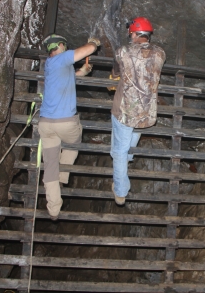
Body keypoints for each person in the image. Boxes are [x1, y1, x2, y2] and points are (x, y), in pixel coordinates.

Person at [39, 34, 101, 220]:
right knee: (74, 141)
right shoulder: (62, 58)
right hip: (65, 122)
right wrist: (94, 43)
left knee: (49, 165)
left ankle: (54, 209)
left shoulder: (51, 64)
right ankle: (63, 175)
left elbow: (70, 76)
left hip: (46, 124)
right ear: (59, 45)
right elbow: (88, 50)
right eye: (64, 45)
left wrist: (83, 71)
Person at [110, 17, 166, 205]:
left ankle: (120, 190)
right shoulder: (160, 53)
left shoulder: (123, 51)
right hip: (146, 114)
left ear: (133, 34)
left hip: (125, 112)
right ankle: (126, 164)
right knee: (127, 149)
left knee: (119, 151)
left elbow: (116, 73)